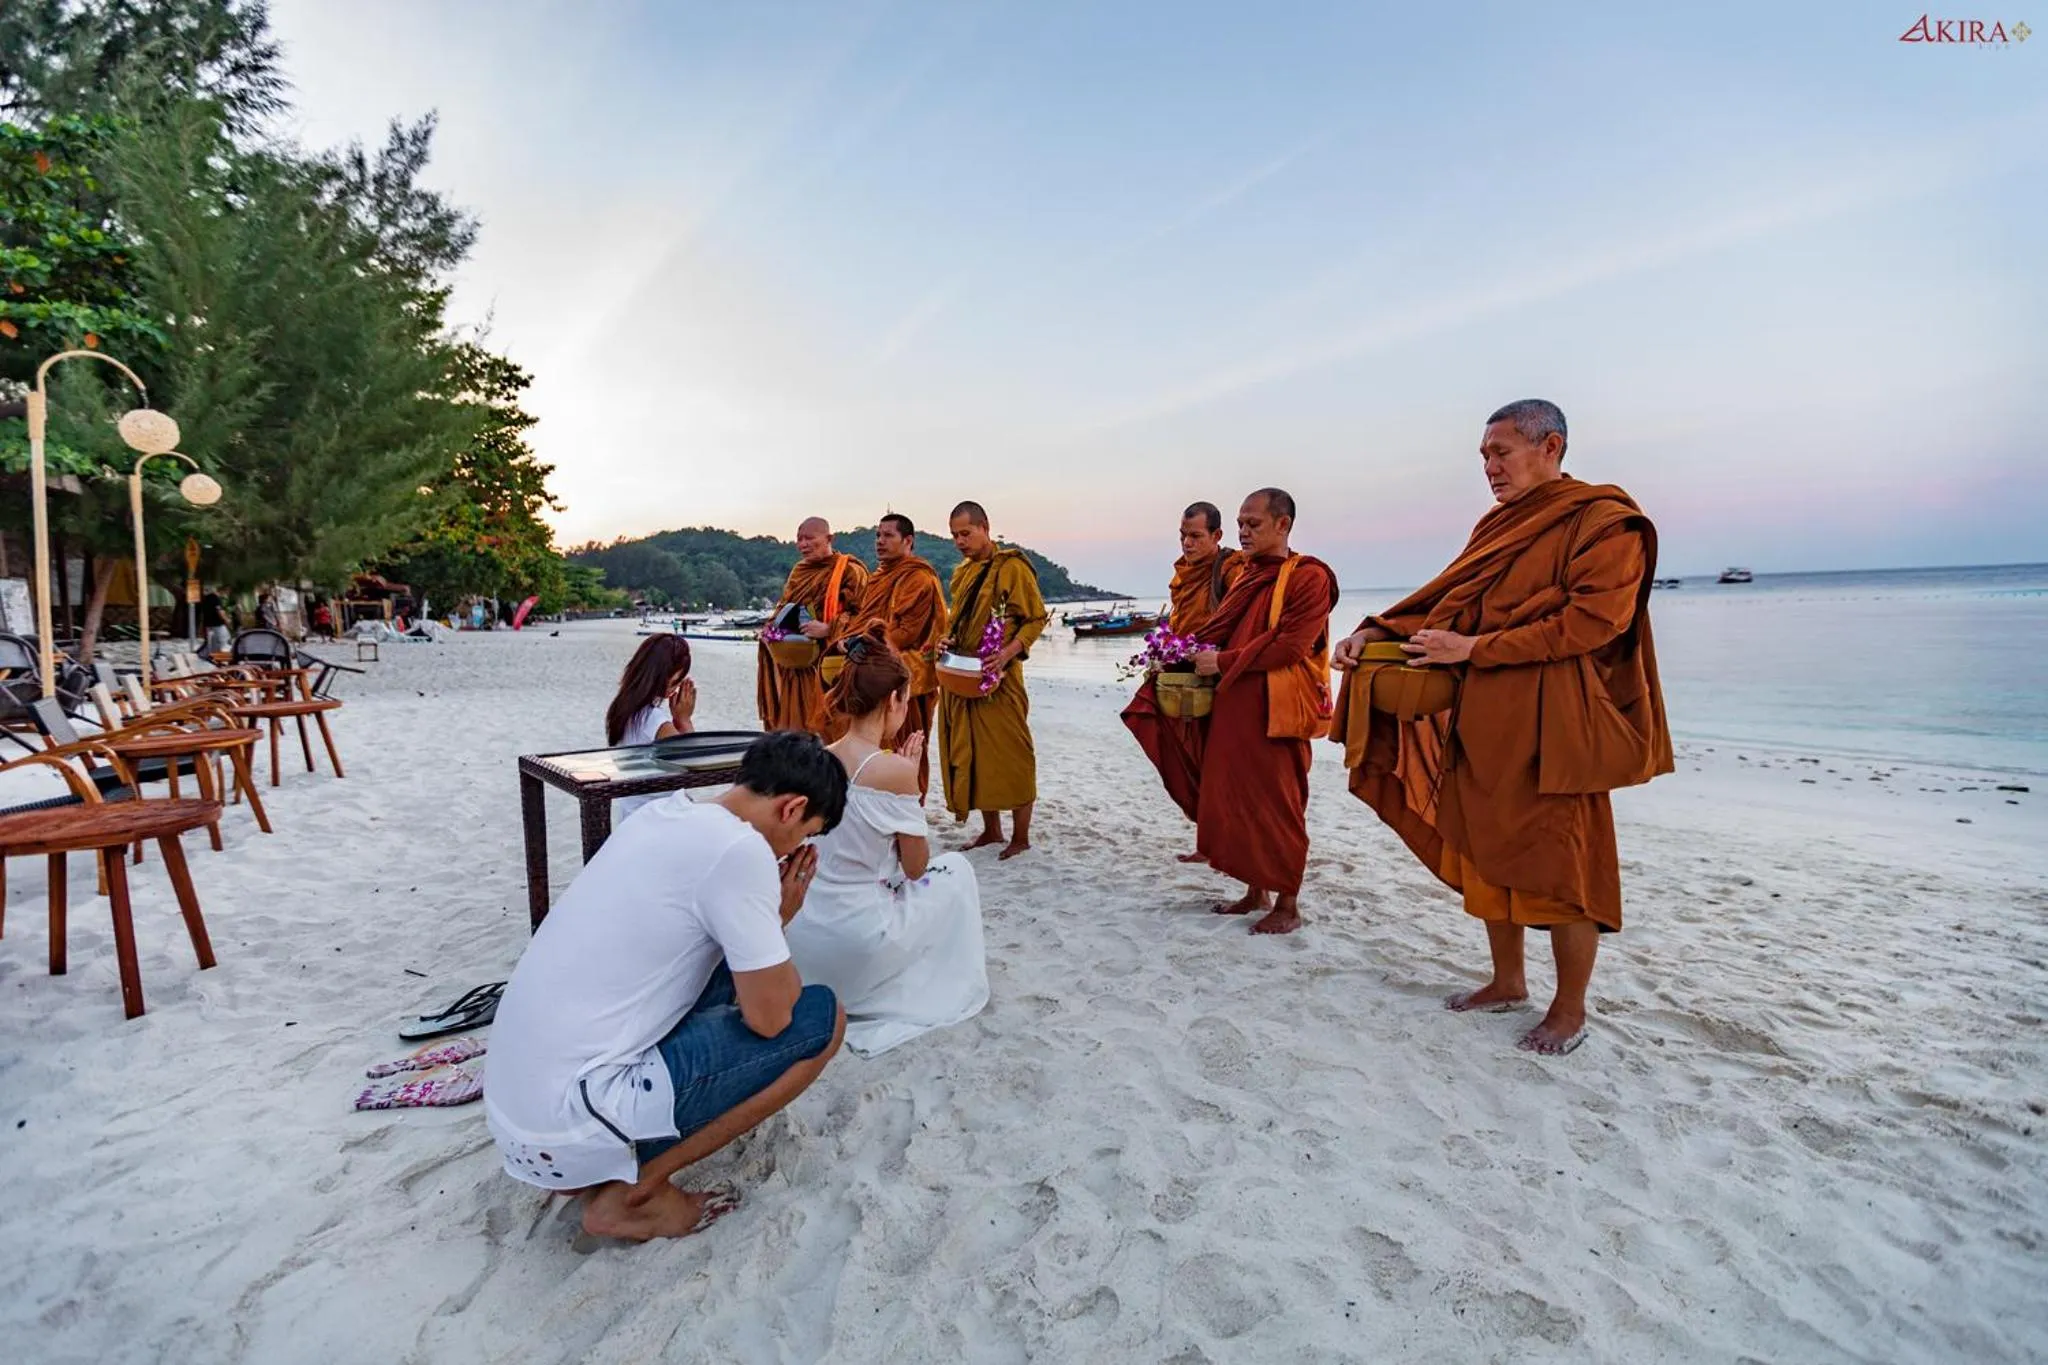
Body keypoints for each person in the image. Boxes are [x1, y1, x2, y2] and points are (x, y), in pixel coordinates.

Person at [1330, 400, 1672, 1055]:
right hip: (1482, 714)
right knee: (1484, 843)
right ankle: (1508, 979)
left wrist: (1475, 650)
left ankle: (1569, 1008)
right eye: (1483, 455)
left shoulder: (1604, 522)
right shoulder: (1499, 525)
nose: (1489, 467)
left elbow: (1594, 623)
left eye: (1501, 451)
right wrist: (1372, 630)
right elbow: (1450, 601)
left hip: (1558, 722)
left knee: (1566, 867)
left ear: (1551, 447)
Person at [485, 732, 850, 1241]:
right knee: (823, 1021)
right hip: (570, 1127)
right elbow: (774, 1019)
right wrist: (778, 914)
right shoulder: (741, 851)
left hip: (518, 1118)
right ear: (792, 808)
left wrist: (770, 922)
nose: (797, 850)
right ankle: (636, 1194)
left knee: (729, 969)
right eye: (805, 835)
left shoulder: (662, 815)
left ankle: (610, 1166)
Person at [790, 627, 988, 1055]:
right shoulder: (892, 771)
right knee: (954, 873)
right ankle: (931, 974)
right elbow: (915, 868)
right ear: (894, 700)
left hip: (803, 940)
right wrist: (909, 785)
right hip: (854, 942)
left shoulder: (818, 758)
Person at [1190, 489, 1340, 935]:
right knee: (1239, 798)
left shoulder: (1308, 577)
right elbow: (1225, 629)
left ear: (1283, 524)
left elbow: (1292, 644)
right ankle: (1255, 891)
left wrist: (1222, 662)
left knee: (1280, 803)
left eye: (1254, 523)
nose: (1244, 531)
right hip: (1237, 704)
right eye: (1240, 523)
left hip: (1277, 709)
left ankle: (1288, 903)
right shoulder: (1248, 576)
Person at [1120, 501, 1247, 861]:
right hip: (1184, 679)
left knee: (1221, 769)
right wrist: (1163, 655)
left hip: (1217, 679)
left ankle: (1224, 845)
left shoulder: (1232, 571)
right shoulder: (1183, 575)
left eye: (1195, 536)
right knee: (1193, 762)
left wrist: (1217, 658)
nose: (1187, 544)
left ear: (1217, 536)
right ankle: (1207, 844)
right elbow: (1181, 624)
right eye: (1182, 536)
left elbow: (1240, 623)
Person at [938, 501, 1049, 859]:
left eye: (966, 533)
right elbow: (959, 620)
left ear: (986, 528)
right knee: (975, 755)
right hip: (964, 673)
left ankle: (1020, 837)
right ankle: (991, 830)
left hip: (1001, 677)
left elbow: (1035, 619)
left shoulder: (1012, 568)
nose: (959, 541)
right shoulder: (963, 574)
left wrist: (1008, 653)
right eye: (954, 535)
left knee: (1013, 754)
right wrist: (946, 639)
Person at [823, 513, 950, 797]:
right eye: (878, 535)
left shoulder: (918, 578)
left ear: (908, 541)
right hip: (872, 674)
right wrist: (846, 639)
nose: (880, 541)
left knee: (905, 747)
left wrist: (861, 640)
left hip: (904, 680)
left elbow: (906, 632)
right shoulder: (878, 577)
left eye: (888, 535)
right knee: (869, 746)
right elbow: (862, 619)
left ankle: (906, 809)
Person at [757, 517, 868, 735]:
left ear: (829, 538)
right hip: (797, 665)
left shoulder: (850, 571)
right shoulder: (799, 571)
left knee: (831, 731)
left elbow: (865, 617)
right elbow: (783, 608)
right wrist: (771, 629)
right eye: (799, 539)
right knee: (795, 731)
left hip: (831, 667)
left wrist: (829, 628)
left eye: (809, 538)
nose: (802, 545)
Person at [605, 633, 699, 822]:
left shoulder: (623, 710)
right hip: (658, 816)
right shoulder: (654, 720)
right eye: (674, 682)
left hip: (632, 813)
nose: (674, 690)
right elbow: (693, 761)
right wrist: (684, 720)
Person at [198, 588, 231, 655]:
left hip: (208, 625)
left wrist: (201, 627)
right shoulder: (215, 598)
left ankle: (206, 655)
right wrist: (227, 620)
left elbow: (203, 614)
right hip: (217, 625)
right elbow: (220, 611)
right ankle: (213, 657)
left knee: (211, 643)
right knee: (223, 641)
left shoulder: (206, 598)